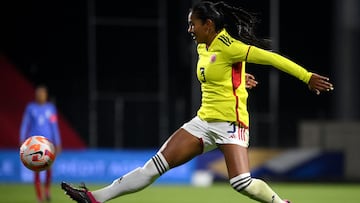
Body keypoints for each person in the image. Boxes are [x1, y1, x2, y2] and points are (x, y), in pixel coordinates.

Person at [61, 1, 333, 203]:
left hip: (231, 123)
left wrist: (306, 76)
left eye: (193, 24)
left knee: (240, 182)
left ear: (209, 25)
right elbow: (216, 73)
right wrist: (237, 78)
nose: (190, 29)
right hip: (203, 122)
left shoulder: (230, 46)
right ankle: (94, 198)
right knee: (153, 167)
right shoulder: (203, 46)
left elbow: (273, 58)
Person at [20, 85, 62, 203]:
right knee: (36, 169)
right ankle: (39, 196)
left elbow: (54, 127)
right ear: (36, 95)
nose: (41, 95)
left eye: (43, 94)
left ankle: (47, 190)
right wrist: (22, 138)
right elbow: (25, 124)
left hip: (48, 143)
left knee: (49, 168)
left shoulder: (50, 108)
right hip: (34, 144)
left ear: (46, 95)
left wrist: (58, 142)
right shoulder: (30, 108)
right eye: (39, 93)